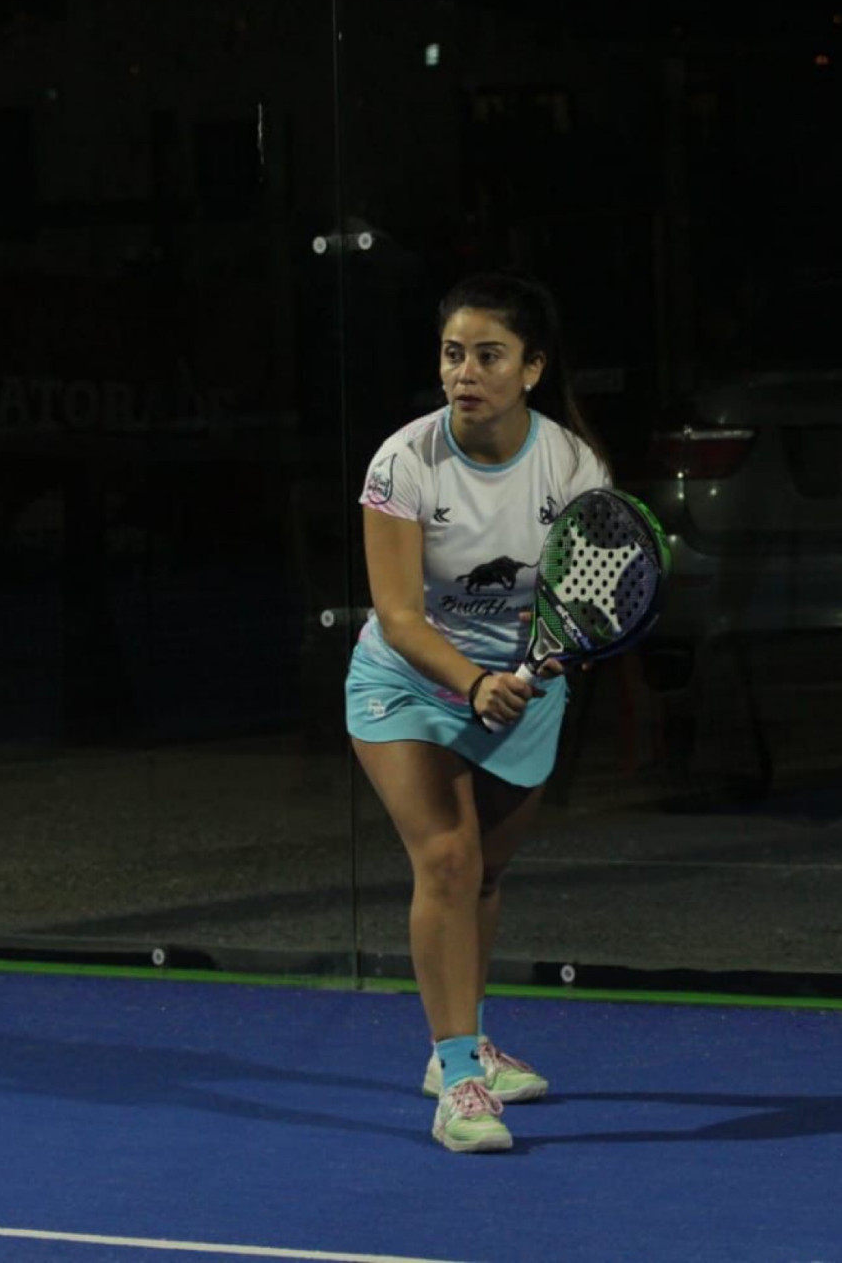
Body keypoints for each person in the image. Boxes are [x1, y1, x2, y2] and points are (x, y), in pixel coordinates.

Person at [346, 271, 610, 1153]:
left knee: (486, 874)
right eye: (453, 353)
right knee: (449, 857)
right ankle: (455, 1076)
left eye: (489, 355)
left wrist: (550, 657)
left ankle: (470, 1038)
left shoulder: (572, 466)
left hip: (522, 688)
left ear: (532, 368)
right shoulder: (403, 462)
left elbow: (587, 595)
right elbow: (399, 615)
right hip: (409, 683)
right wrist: (471, 682)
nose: (466, 372)